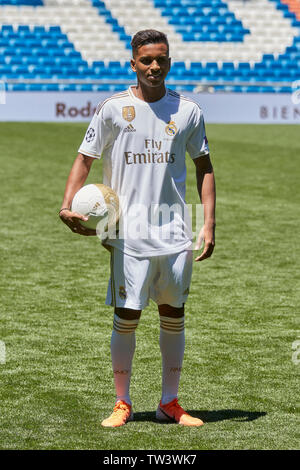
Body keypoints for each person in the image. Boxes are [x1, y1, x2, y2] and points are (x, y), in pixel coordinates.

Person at [59, 29, 216, 428]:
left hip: (175, 232)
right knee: (127, 315)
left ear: (169, 62)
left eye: (161, 59)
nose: (153, 66)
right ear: (133, 63)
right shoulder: (113, 108)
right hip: (127, 233)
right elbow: (84, 159)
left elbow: (204, 167)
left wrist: (209, 223)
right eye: (146, 60)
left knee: (173, 314)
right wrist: (66, 204)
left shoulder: (189, 110)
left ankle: (169, 402)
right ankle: (122, 402)